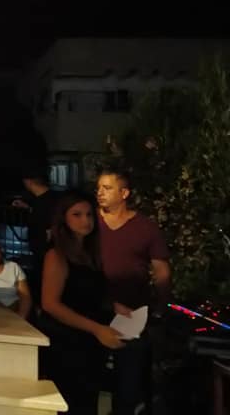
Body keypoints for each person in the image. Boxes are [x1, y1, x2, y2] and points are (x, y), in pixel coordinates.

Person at [39, 190, 124, 415]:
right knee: (72, 403)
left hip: (89, 342)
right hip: (66, 343)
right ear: (64, 218)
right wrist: (97, 329)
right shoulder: (57, 255)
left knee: (87, 402)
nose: (85, 220)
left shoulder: (90, 253)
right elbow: (50, 304)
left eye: (89, 214)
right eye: (77, 214)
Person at [96, 165, 171, 415]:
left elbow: (161, 270)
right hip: (92, 310)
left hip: (132, 314)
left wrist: (159, 309)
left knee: (127, 384)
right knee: (88, 379)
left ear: (124, 193)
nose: (100, 192)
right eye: (98, 188)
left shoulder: (145, 228)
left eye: (107, 188)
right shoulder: (89, 224)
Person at [13, 172, 62, 305]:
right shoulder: (44, 200)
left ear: (29, 182)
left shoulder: (45, 202)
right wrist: (28, 208)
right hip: (41, 251)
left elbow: (49, 226)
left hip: (44, 252)